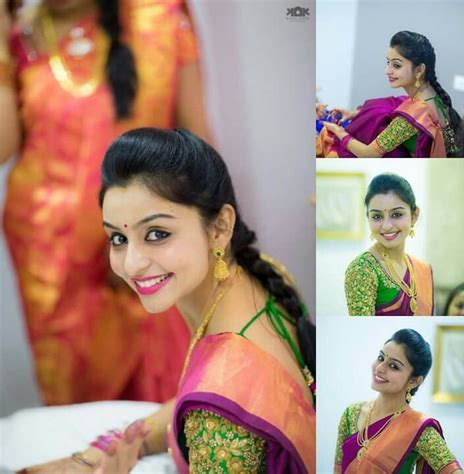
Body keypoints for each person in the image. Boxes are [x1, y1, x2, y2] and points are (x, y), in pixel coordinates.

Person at [20, 128, 316, 473]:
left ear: (220, 226)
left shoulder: (220, 415)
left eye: (157, 234)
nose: (131, 264)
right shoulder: (262, 275)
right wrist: (111, 449)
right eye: (118, 237)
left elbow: (224, 397)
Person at [1, 0, 210, 405]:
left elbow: (196, 141)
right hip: (52, 265)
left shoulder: (160, 17)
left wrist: (154, 241)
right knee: (78, 411)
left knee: (168, 401)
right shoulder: (21, 35)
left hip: (149, 249)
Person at [334, 329, 463, 473]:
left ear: (413, 381)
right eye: (381, 358)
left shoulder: (419, 428)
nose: (379, 368)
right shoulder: (351, 414)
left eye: (393, 366)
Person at [316, 31, 461, 158]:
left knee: (328, 140)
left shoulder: (411, 118)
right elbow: (395, 106)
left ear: (419, 70)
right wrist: (355, 113)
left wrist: (339, 132)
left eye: (396, 65)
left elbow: (368, 154)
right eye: (388, 62)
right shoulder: (432, 94)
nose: (387, 71)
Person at [345, 174, 433, 316]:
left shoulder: (423, 269)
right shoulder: (362, 269)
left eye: (396, 214)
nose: (386, 226)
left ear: (414, 216)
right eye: (377, 217)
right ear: (368, 218)